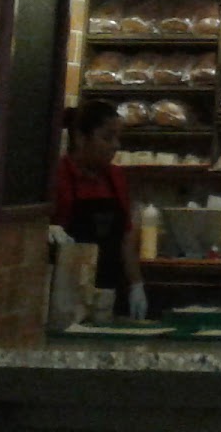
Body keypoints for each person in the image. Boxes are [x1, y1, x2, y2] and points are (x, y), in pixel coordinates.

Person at [51, 100, 147, 319]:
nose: (116, 145)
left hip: (110, 291)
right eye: (107, 137)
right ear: (80, 138)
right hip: (67, 295)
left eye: (118, 137)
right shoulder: (59, 177)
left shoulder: (116, 178)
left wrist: (136, 285)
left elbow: (126, 238)